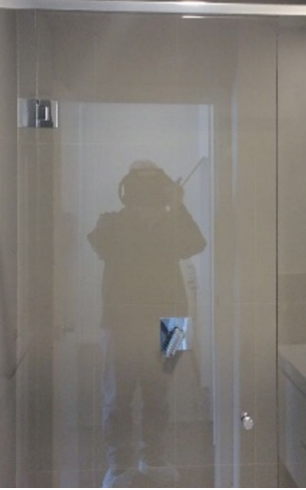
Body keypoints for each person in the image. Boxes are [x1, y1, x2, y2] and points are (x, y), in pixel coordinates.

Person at [88, 161, 207, 488]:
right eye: (142, 188)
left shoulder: (173, 222)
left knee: (160, 394)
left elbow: (196, 245)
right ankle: (119, 466)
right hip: (120, 321)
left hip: (173, 323)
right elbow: (103, 245)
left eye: (154, 188)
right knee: (118, 398)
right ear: (127, 191)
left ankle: (154, 458)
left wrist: (177, 206)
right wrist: (143, 220)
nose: (148, 195)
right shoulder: (111, 223)